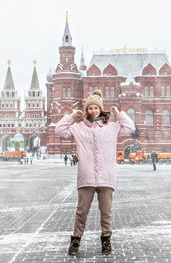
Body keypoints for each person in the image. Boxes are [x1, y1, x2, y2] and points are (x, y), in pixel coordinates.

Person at [55, 90, 135, 255]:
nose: (93, 111)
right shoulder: (78, 128)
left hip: (106, 177)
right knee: (81, 212)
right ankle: (75, 241)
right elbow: (59, 130)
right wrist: (71, 116)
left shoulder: (112, 127)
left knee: (106, 212)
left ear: (100, 109)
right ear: (86, 110)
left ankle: (106, 240)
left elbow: (129, 128)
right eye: (90, 108)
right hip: (86, 177)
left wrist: (118, 114)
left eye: (95, 108)